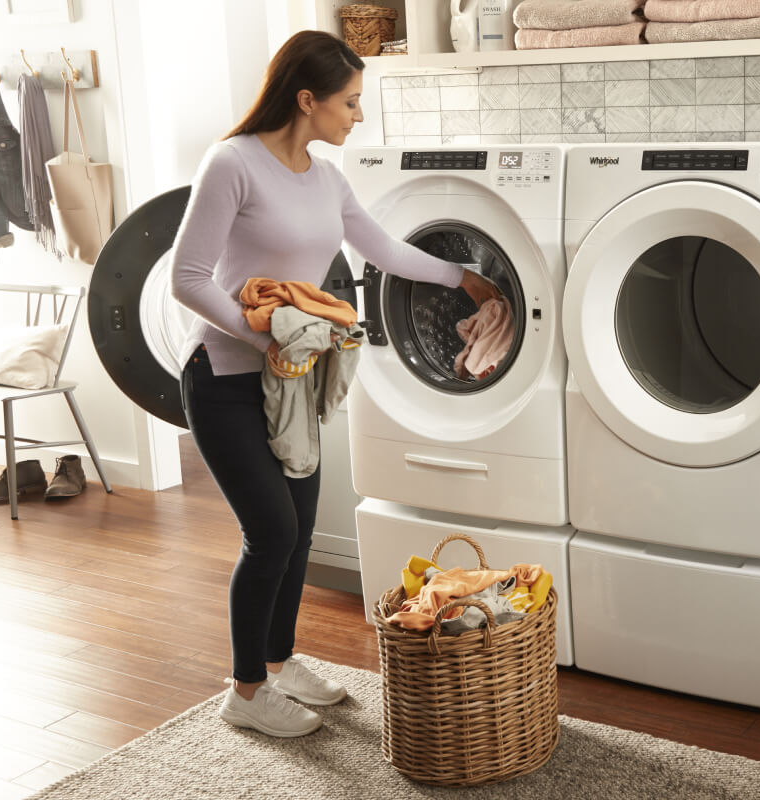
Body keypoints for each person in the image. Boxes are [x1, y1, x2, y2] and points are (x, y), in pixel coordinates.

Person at [171, 30, 499, 738]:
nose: (357, 116)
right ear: (307, 98)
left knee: (297, 535)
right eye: (350, 102)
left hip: (289, 386)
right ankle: (246, 690)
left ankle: (282, 664)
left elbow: (381, 250)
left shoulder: (327, 179)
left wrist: (462, 275)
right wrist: (268, 336)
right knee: (273, 531)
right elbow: (186, 277)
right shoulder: (232, 164)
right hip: (225, 379)